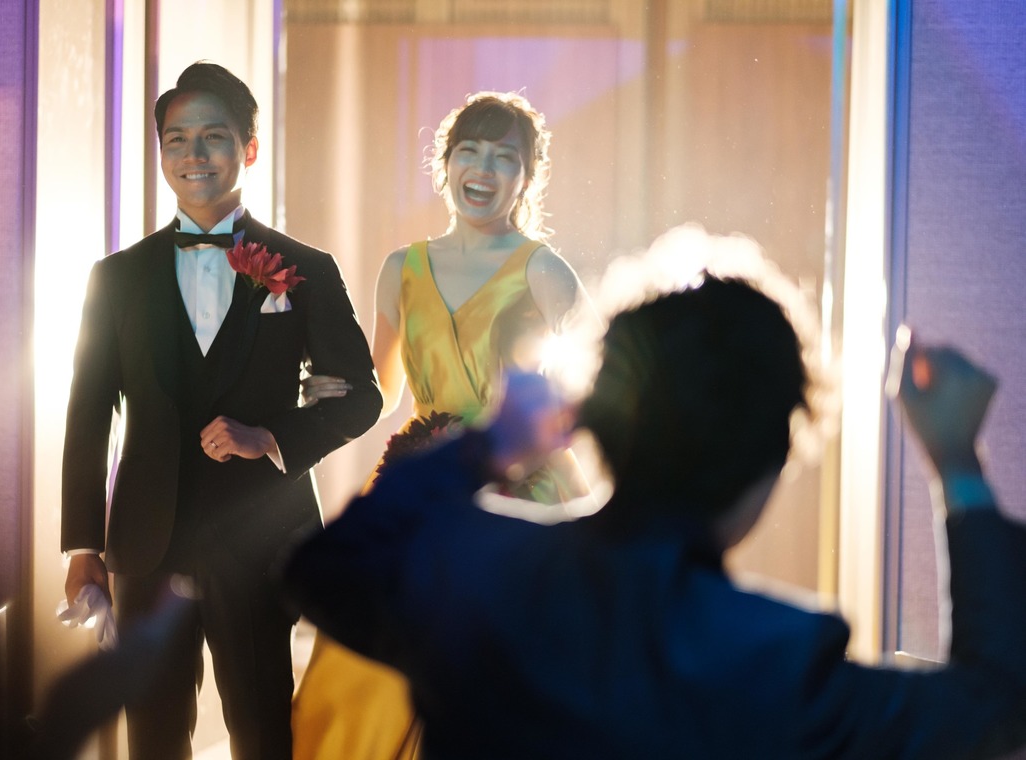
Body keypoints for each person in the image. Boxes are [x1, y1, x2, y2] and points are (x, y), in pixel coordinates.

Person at [279, 249, 1026, 757]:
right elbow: (996, 708)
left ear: (599, 423)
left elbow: (326, 568)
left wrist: (487, 443)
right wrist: (958, 464)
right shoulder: (779, 659)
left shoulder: (478, 572)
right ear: (769, 468)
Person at [60, 61, 382, 760]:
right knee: (152, 735)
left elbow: (353, 393)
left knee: (264, 729)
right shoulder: (115, 279)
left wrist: (271, 435)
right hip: (147, 543)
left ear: (249, 148)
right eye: (177, 140)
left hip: (260, 538)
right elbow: (88, 417)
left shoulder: (307, 268)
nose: (193, 156)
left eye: (213, 137)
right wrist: (84, 546)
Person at [290, 91, 598, 758]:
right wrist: (308, 385)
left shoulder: (546, 272)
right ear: (446, 163)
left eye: (504, 157)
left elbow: (587, 391)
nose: (483, 168)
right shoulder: (401, 270)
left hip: (524, 480)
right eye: (469, 151)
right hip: (422, 476)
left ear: (526, 177)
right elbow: (383, 388)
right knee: (366, 660)